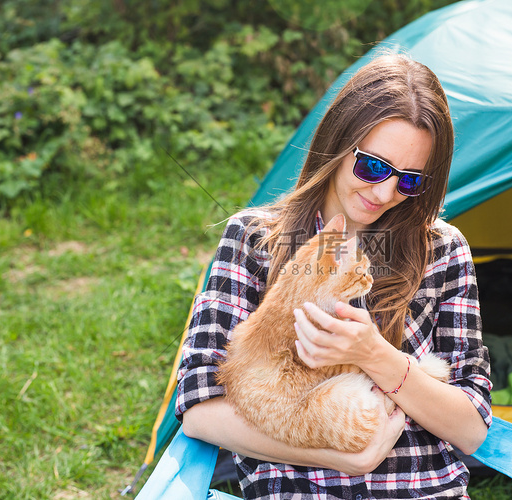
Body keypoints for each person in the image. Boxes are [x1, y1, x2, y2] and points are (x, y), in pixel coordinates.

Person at [175, 53, 492, 499]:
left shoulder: (441, 249)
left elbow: (472, 428)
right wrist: (345, 458)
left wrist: (374, 355)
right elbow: (198, 409)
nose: (385, 194)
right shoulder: (254, 239)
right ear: (339, 142)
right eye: (373, 167)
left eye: (409, 181)